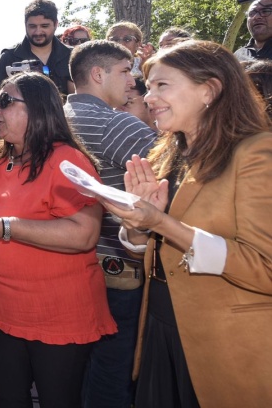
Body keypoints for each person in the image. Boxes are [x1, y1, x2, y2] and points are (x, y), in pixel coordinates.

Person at [98, 40, 272, 406]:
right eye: (148, 87)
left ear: (209, 89)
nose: (148, 97)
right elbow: (154, 245)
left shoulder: (256, 152)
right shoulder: (169, 154)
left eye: (162, 85)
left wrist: (161, 222)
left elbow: (265, 268)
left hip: (224, 344)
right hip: (161, 327)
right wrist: (136, 226)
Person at [0, 72, 116, 408]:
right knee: (10, 399)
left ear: (38, 110)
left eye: (4, 101)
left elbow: (84, 234)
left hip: (57, 314)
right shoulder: (2, 156)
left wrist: (8, 227)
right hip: (6, 311)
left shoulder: (67, 159)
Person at [64, 40, 158, 408]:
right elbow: (175, 176)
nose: (132, 80)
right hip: (119, 267)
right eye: (124, 70)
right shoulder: (113, 123)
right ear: (97, 74)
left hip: (73, 265)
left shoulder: (56, 116)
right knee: (114, 370)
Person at [0, 0, 75, 97]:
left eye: (44, 26)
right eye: (32, 26)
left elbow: (80, 100)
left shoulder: (73, 56)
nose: (38, 32)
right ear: (25, 25)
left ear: (56, 24)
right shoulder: (8, 58)